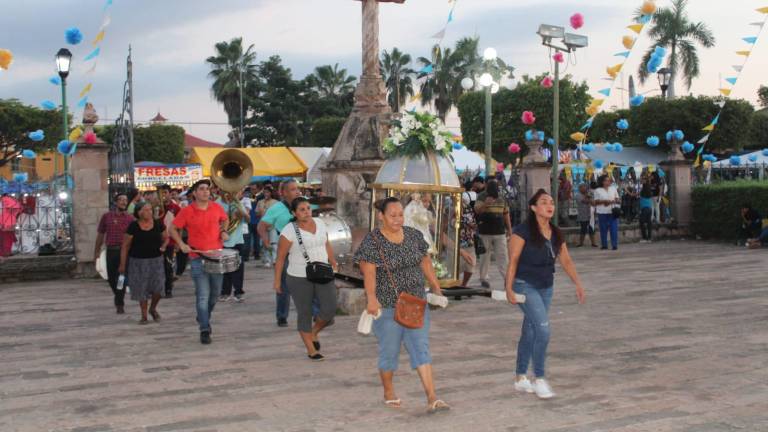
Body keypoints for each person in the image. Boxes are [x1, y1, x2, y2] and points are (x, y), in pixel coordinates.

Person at [354, 197, 450, 413]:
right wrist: (371, 298)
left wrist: (435, 285)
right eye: (393, 215)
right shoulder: (372, 242)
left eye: (400, 214)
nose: (398, 219)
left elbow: (424, 260)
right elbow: (368, 273)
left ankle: (432, 397)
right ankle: (388, 391)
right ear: (381, 216)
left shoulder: (414, 235)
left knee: (420, 346)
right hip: (387, 305)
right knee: (390, 351)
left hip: (416, 302)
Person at [505, 189, 587, 399]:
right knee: (543, 331)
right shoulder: (521, 231)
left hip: (546, 286)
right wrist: (508, 287)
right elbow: (513, 260)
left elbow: (565, 260)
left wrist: (577, 283)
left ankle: (520, 377)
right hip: (524, 285)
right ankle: (539, 378)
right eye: (544, 202)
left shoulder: (556, 232)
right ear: (533, 208)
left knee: (531, 330)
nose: (549, 205)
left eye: (551, 202)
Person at [274, 197, 338, 360]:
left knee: (330, 309)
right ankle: (311, 349)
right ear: (294, 213)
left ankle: (314, 332)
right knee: (305, 312)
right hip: (298, 277)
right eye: (302, 209)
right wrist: (276, 281)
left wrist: (333, 261)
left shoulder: (320, 223)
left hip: (323, 272)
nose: (306, 212)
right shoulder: (289, 231)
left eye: (308, 208)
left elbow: (326, 243)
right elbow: (280, 258)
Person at [169, 180, 229, 345]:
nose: (205, 192)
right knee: (203, 296)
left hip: (217, 257)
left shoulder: (216, 207)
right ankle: (204, 329)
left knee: (215, 295)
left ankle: (203, 316)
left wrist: (223, 230)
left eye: (207, 189)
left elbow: (225, 219)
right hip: (197, 258)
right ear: (194, 193)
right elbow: (172, 228)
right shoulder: (187, 211)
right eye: (201, 189)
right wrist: (181, 244)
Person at [258, 180, 302, 327]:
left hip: (304, 249)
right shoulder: (276, 208)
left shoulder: (306, 204)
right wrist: (266, 242)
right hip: (285, 251)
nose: (297, 192)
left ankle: (314, 312)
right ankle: (282, 315)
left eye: (298, 189)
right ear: (283, 193)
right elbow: (261, 226)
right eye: (293, 189)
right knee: (284, 284)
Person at [119, 201, 168, 324]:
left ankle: (153, 308)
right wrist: (122, 264)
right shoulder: (133, 226)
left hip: (156, 261)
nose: (148, 212)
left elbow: (166, 238)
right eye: (145, 210)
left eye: (150, 210)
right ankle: (144, 315)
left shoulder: (158, 224)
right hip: (138, 261)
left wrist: (164, 245)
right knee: (142, 289)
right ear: (139, 212)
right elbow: (125, 246)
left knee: (159, 288)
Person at [94, 193, 135, 314]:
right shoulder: (106, 217)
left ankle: (119, 302)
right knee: (111, 279)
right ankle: (118, 295)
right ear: (115, 202)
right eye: (121, 200)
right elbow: (101, 234)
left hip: (124, 252)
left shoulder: (130, 219)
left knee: (121, 277)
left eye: (125, 200)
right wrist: (96, 251)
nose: (123, 202)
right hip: (111, 251)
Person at [475, 179, 512, 288]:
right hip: (484, 231)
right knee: (484, 256)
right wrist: (485, 204)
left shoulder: (502, 197)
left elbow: (506, 214)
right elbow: (477, 210)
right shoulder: (481, 196)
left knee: (503, 256)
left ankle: (507, 279)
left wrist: (509, 229)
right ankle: (483, 278)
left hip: (500, 232)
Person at [217, 191, 248, 302]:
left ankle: (238, 292)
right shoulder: (216, 203)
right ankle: (225, 292)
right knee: (225, 269)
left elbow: (247, 220)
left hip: (238, 240)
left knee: (238, 268)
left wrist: (242, 213)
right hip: (222, 241)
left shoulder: (238, 203)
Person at [158, 184, 181, 298]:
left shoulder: (175, 208)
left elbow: (180, 226)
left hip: (171, 241)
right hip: (157, 241)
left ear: (170, 193)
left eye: (165, 192)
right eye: (161, 193)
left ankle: (168, 289)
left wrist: (178, 242)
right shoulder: (156, 207)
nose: (163, 195)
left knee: (168, 266)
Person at [593, 175, 621, 250]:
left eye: (609, 180)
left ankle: (614, 245)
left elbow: (617, 199)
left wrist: (615, 201)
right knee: (603, 229)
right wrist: (604, 201)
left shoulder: (613, 189)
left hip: (612, 211)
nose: (608, 182)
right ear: (602, 182)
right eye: (606, 180)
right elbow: (596, 201)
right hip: (602, 212)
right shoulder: (597, 190)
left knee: (614, 229)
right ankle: (604, 244)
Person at [459, 191, 478, 287]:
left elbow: (473, 223)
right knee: (453, 267)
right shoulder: (447, 207)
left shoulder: (467, 207)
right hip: (454, 241)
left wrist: (472, 225)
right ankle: (454, 284)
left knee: (471, 265)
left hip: (468, 240)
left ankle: (464, 285)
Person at [256, 186, 278, 266]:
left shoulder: (276, 202)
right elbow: (256, 214)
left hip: (273, 225)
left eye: (268, 192)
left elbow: (278, 214)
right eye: (264, 192)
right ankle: (267, 260)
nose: (266, 194)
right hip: (263, 226)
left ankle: (275, 260)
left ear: (271, 193)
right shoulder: (260, 202)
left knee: (274, 243)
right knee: (265, 244)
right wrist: (260, 212)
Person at [575, 183, 597, 247]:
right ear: (579, 189)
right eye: (583, 187)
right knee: (583, 229)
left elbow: (594, 202)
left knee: (592, 229)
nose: (585, 188)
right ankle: (581, 243)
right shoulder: (578, 195)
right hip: (582, 215)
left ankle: (593, 243)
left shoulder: (590, 194)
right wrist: (588, 197)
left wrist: (589, 198)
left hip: (591, 215)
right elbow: (584, 201)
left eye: (585, 187)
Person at [0, 193, 22, 257]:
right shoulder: (11, 200)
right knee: (8, 237)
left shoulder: (5, 200)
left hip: (5, 221)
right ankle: (7, 252)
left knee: (5, 237)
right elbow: (19, 208)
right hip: (10, 221)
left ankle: (5, 252)